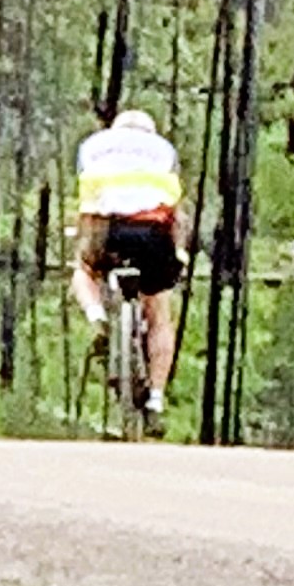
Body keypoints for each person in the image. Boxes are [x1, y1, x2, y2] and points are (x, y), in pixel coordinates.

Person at [71, 104, 188, 425]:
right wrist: (178, 251)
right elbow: (175, 210)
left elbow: (87, 202)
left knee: (83, 271)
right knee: (159, 310)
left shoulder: (93, 146)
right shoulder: (164, 151)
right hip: (153, 233)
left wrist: (83, 239)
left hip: (107, 230)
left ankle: (97, 317)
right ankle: (156, 398)